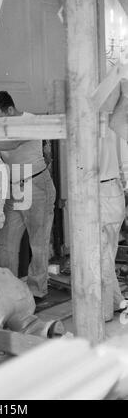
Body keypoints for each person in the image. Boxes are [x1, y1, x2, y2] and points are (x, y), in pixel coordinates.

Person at [0, 91, 56, 299]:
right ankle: (10, 290)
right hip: (14, 184)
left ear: (10, 109)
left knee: (38, 242)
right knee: (5, 241)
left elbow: (12, 143)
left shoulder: (30, 121)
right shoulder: (3, 125)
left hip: (35, 183)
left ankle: (37, 290)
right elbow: (0, 150)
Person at [100, 80, 128, 321]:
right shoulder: (111, 124)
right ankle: (116, 301)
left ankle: (107, 310)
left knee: (102, 255)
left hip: (103, 192)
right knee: (107, 253)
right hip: (113, 190)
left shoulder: (105, 124)